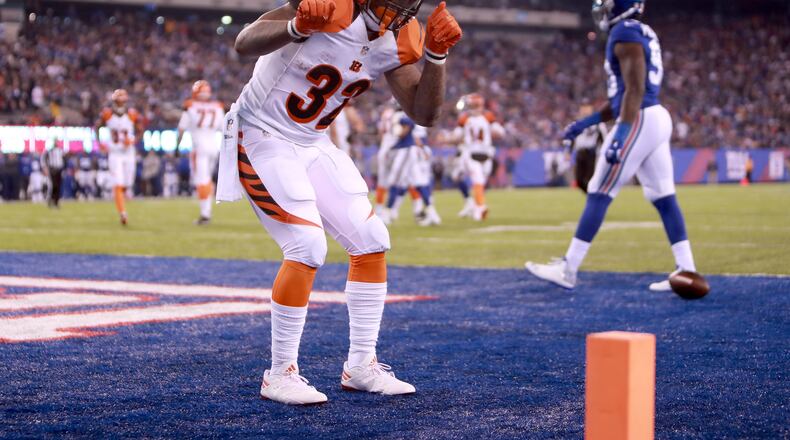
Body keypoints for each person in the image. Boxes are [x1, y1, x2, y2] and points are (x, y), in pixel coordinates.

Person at [223, 0, 461, 405]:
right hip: (261, 133)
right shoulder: (332, 4)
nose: (400, 7)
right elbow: (244, 43)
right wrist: (297, 26)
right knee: (306, 245)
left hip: (313, 141)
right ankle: (279, 373)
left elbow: (425, 113)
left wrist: (437, 58)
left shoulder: (402, 35)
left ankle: (361, 366)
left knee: (371, 237)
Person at [525, 0, 703, 291]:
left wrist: (620, 133)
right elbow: (625, 93)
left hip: (639, 118)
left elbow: (635, 88)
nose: (603, 11)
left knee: (598, 190)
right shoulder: (640, 30)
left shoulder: (624, 32)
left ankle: (568, 269)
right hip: (652, 116)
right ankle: (687, 270)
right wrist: (589, 121)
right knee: (663, 196)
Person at [176, 80, 225, 225]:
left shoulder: (190, 106)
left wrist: (177, 147)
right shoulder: (217, 107)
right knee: (207, 180)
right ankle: (207, 210)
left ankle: (205, 214)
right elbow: (223, 128)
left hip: (199, 147)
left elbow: (181, 129)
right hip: (213, 147)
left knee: (201, 180)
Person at [452, 93, 505, 221]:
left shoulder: (467, 118)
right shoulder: (484, 116)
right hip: (475, 154)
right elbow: (500, 132)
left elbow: (456, 136)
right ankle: (479, 208)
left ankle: (476, 206)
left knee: (480, 183)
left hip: (481, 154)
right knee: (478, 181)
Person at [95, 89, 142, 226]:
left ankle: (122, 198)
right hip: (115, 152)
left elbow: (140, 131)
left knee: (127, 184)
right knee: (118, 183)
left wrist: (133, 140)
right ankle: (123, 213)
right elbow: (97, 127)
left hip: (128, 153)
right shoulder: (107, 114)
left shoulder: (132, 114)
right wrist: (100, 143)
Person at [566, 104, 608, 193]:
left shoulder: (597, 123)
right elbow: (571, 137)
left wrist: (604, 152)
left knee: (589, 178)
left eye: (587, 108)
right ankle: (590, 195)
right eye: (583, 108)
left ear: (591, 109)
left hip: (591, 153)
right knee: (579, 180)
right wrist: (568, 151)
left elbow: (603, 138)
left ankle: (592, 196)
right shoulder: (577, 123)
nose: (585, 110)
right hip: (580, 153)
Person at [41, 143, 65, 208]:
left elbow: (63, 160)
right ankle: (50, 200)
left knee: (58, 186)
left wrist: (63, 169)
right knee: (53, 186)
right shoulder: (49, 151)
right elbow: (43, 159)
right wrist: (45, 168)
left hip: (59, 170)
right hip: (52, 170)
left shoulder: (60, 151)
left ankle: (56, 202)